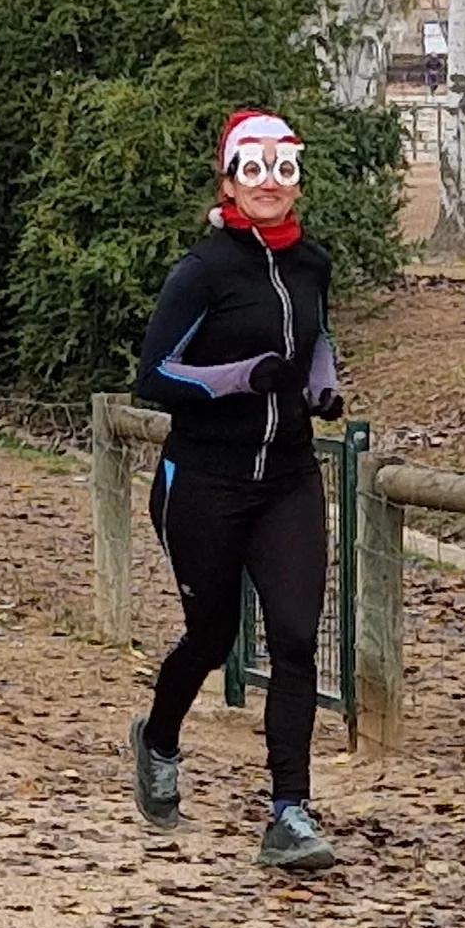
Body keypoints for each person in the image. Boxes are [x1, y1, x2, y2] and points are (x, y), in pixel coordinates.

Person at [129, 109, 348, 872]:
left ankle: (290, 813)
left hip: (287, 479)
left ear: (297, 178)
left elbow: (317, 335)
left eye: (282, 170)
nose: (268, 186)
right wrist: (240, 379)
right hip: (205, 482)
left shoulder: (312, 263)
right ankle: (158, 740)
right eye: (251, 171)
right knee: (213, 635)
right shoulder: (203, 271)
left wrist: (321, 388)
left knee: (293, 639)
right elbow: (155, 376)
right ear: (228, 181)